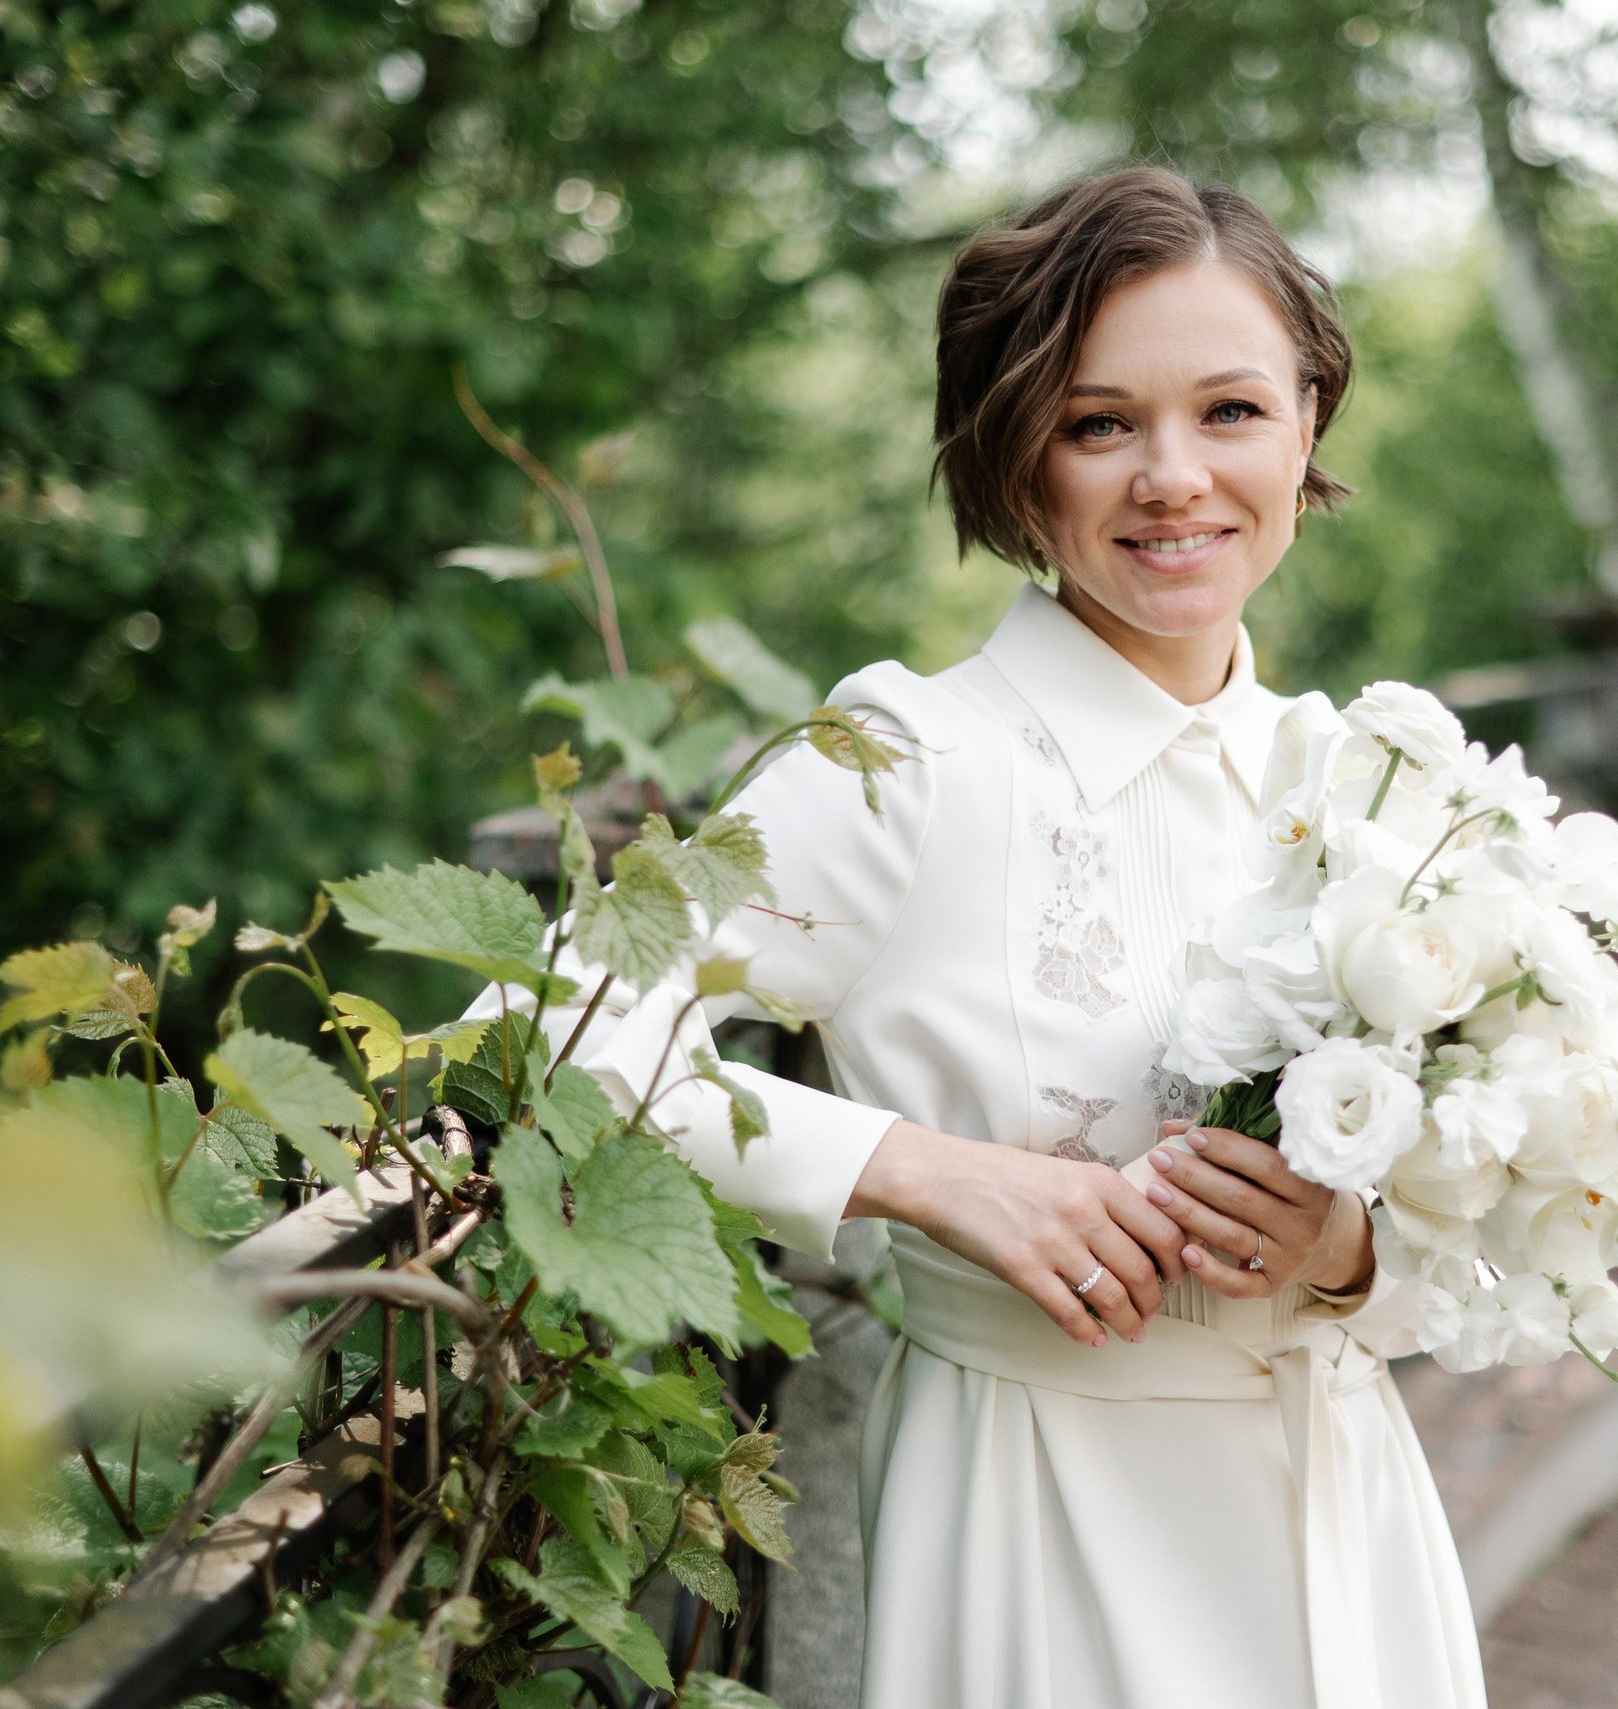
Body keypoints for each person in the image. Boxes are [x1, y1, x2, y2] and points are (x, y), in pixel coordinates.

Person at [474, 165, 1484, 1709]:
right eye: (1100, 424)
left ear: (1307, 430)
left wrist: (1345, 1250)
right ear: (1018, 464)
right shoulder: (910, 759)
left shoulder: (1359, 776)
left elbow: (1458, 1227)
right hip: (1047, 1513)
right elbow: (545, 1031)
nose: (1173, 476)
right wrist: (926, 1174)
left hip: (1349, 1527)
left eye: (1230, 412)